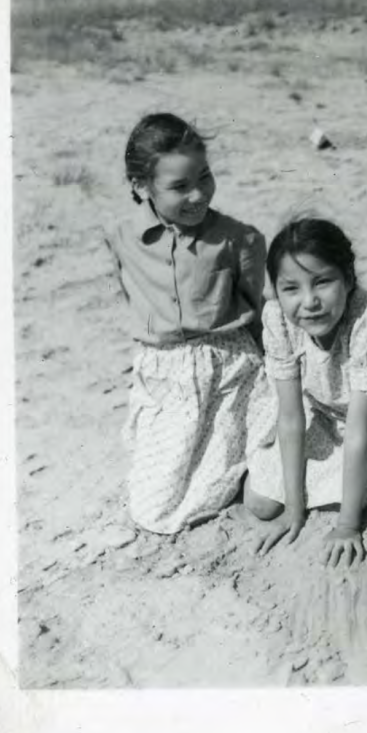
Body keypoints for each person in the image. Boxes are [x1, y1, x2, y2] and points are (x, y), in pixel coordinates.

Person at [106, 113, 273, 534]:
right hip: (165, 376)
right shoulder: (121, 238)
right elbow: (134, 298)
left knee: (233, 479)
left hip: (230, 372)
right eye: (179, 186)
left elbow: (257, 309)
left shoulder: (241, 239)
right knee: (153, 508)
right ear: (141, 187)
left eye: (204, 176)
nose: (198, 194)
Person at [244, 218, 367, 567]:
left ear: (349, 279)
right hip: (321, 415)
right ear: (276, 291)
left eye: (322, 282)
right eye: (291, 288)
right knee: (261, 503)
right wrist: (293, 509)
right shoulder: (277, 317)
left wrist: (348, 526)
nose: (309, 302)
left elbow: (358, 432)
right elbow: (291, 416)